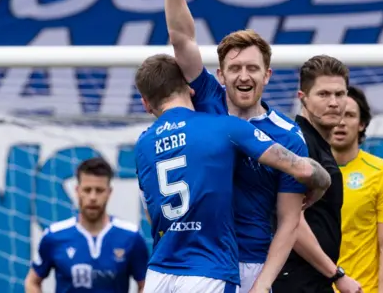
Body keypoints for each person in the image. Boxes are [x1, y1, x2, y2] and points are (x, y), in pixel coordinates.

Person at [150, 0, 311, 292]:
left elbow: (289, 221)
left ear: (267, 75)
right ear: (220, 75)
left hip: (251, 263)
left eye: (253, 68)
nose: (244, 76)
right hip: (197, 262)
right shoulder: (207, 98)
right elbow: (181, 38)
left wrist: (262, 284)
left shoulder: (287, 136)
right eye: (234, 68)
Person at [134, 53, 331, 293]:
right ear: (191, 89)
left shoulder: (143, 144)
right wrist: (322, 184)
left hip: (158, 273)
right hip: (209, 269)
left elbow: (150, 213)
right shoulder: (225, 126)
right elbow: (301, 168)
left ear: (145, 103)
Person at [272, 55, 362, 293]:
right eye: (323, 95)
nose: (333, 102)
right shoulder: (299, 143)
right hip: (295, 280)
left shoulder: (319, 144)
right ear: (303, 98)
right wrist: (336, 274)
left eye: (340, 94)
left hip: (313, 278)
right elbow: (291, 220)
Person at [24, 157, 149, 293]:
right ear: (77, 191)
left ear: (109, 192)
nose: (93, 197)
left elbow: (144, 285)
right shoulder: (53, 236)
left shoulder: (131, 237)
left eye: (99, 190)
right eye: (87, 190)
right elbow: (32, 282)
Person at [330, 86, 383, 293]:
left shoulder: (382, 174)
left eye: (350, 115)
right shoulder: (304, 170)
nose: (341, 122)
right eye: (336, 115)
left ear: (362, 124)